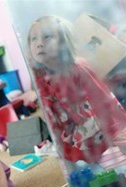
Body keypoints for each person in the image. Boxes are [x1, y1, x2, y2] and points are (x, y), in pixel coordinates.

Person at [27, 15, 126, 163]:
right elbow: (53, 117)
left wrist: (118, 134)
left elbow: (105, 101)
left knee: (114, 167)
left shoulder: (78, 69)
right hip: (75, 140)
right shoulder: (41, 80)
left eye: (47, 37)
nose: (39, 44)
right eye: (33, 39)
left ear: (63, 42)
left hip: (102, 135)